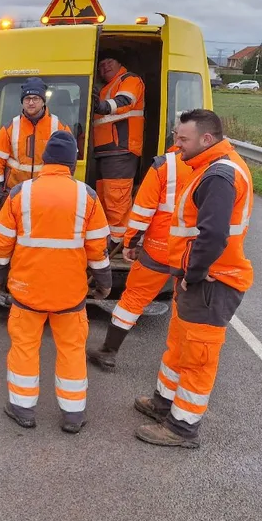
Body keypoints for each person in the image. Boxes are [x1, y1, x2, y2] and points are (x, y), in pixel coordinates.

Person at [134, 109, 254, 449]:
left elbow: (213, 235)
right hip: (202, 280)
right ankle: (164, 405)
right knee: (180, 347)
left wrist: (194, 274)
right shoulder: (208, 168)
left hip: (212, 282)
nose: (177, 145)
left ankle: (182, 428)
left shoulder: (218, 176)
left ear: (207, 139)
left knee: (198, 357)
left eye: (182, 139)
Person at [0, 130, 112, 433]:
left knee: (24, 347)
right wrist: (104, 282)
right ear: (72, 163)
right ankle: (72, 415)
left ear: (45, 160)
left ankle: (23, 409)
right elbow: (98, 248)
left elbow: (2, 243)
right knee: (71, 349)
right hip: (70, 294)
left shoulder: (21, 193)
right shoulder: (88, 197)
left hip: (26, 290)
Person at [86, 144, 193, 371]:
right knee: (185, 304)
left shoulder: (166, 165)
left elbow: (143, 210)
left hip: (160, 247)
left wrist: (130, 243)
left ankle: (109, 351)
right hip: (195, 252)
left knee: (134, 298)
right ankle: (183, 361)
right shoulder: (223, 166)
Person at [0, 77, 73, 209]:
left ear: (43, 101)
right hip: (16, 192)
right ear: (22, 102)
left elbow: (69, 162)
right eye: (27, 99)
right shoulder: (10, 127)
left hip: (47, 194)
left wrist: (61, 190)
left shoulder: (59, 126)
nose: (31, 103)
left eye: (36, 98)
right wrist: (0, 195)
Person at [92, 55, 146, 249]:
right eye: (101, 65)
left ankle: (119, 243)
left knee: (116, 199)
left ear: (120, 63)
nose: (105, 67)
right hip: (104, 150)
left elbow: (125, 101)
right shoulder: (105, 88)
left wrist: (101, 106)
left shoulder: (129, 80)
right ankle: (111, 237)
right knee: (105, 198)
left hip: (121, 149)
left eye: (109, 62)